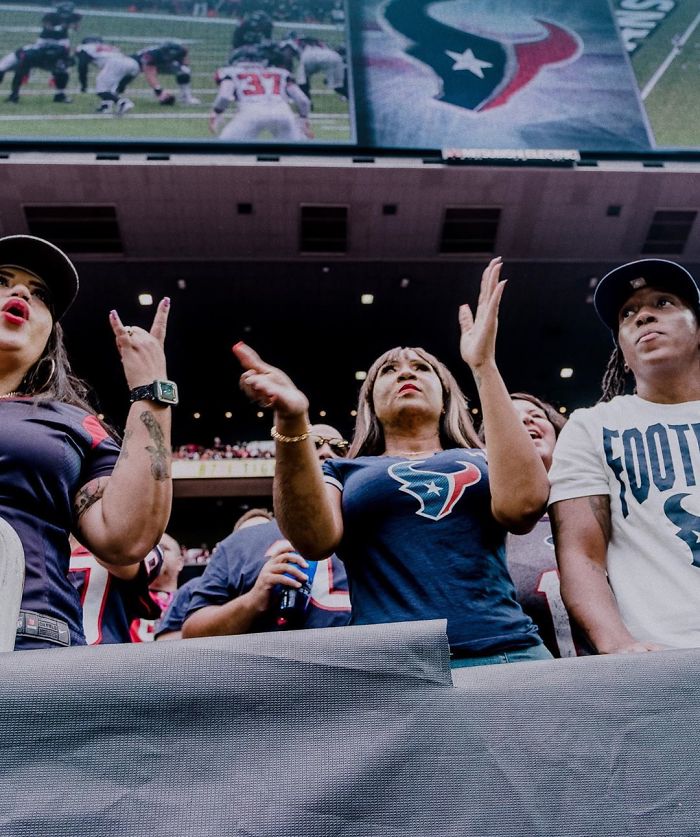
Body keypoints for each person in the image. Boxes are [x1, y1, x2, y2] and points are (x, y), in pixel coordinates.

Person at [233, 258, 552, 667]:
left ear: (444, 396)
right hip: (392, 665)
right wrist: (293, 417)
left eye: (422, 368)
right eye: (389, 370)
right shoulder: (343, 471)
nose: (407, 373)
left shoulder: (484, 457)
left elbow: (523, 507)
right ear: (369, 402)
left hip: (506, 650)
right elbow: (313, 540)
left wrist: (483, 365)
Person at [0, 234, 174, 650]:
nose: (21, 291)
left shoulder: (74, 425)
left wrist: (152, 391)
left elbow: (124, 538)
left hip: (31, 647)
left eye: (40, 294)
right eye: (3, 280)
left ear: (49, 335)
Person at [550, 258, 700, 654]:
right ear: (621, 348)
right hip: (664, 656)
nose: (643, 315)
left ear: (697, 327)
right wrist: (617, 646)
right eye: (627, 314)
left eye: (663, 303)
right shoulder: (591, 427)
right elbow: (580, 555)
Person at [182, 427, 352, 638]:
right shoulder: (241, 541)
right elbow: (193, 632)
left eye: (339, 448)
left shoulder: (377, 532)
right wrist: (253, 600)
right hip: (272, 669)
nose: (326, 452)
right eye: (312, 444)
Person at [505, 393, 589, 658]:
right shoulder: (486, 526)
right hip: (533, 685)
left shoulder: (601, 509)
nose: (526, 420)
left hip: (622, 674)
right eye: (512, 418)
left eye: (536, 416)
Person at [155, 508, 272, 640]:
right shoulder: (193, 588)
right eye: (247, 538)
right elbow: (164, 642)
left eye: (267, 535)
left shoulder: (289, 576)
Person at [69, 537, 164, 644]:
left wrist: (86, 530)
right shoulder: (51, 540)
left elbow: (125, 565)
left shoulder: (141, 541)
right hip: (53, 647)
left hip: (105, 651)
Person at [209, 45, 313, 141]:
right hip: (282, 112)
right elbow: (303, 101)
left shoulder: (230, 72)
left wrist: (217, 112)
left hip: (251, 113)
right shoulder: (280, 72)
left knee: (225, 149)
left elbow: (224, 96)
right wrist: (303, 119)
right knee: (295, 153)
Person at [130, 532, 184, 641]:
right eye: (149, 549)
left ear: (180, 563)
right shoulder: (124, 597)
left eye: (163, 548)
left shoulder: (191, 601)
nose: (155, 553)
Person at [76, 37, 139, 116]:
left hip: (115, 63)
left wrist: (83, 84)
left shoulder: (84, 47)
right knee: (110, 88)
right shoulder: (106, 46)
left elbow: (82, 65)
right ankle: (105, 107)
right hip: (131, 62)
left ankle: (123, 103)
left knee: (101, 90)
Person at [2, 42, 74, 104]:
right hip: (22, 57)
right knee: (4, 69)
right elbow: (23, 62)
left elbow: (70, 63)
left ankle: (60, 96)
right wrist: (25, 73)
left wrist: (56, 73)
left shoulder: (57, 53)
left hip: (38, 59)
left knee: (63, 73)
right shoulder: (33, 54)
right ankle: (14, 96)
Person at [133, 42, 200, 106]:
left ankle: (186, 97)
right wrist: (159, 92)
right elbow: (150, 74)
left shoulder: (179, 49)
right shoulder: (153, 55)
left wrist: (183, 60)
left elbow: (185, 52)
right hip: (137, 64)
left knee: (184, 71)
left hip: (161, 63)